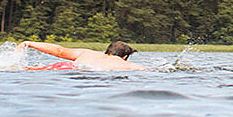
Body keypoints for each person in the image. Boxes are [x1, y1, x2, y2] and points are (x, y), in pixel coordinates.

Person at [19, 40, 147, 71]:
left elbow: (59, 51)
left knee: (31, 68)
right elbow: (145, 70)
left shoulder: (87, 53)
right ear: (124, 56)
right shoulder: (122, 63)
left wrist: (29, 43)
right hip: (82, 70)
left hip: (64, 66)